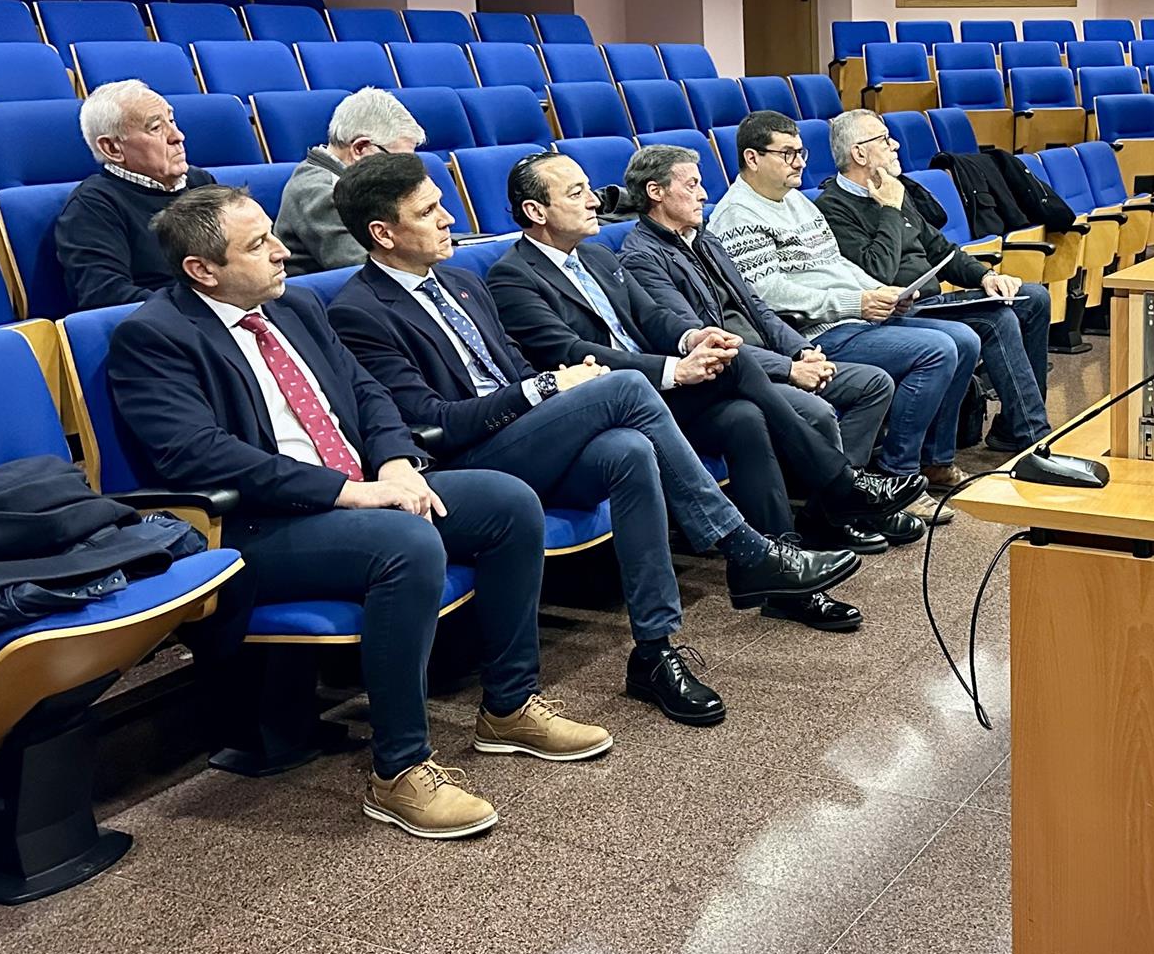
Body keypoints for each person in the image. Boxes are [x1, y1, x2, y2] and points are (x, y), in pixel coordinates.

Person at [106, 185, 613, 840]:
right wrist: (351, 492)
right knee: (407, 543)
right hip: (256, 528)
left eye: (271, 233)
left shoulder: (295, 307)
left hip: (362, 494)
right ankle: (398, 772)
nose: (281, 250)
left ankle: (509, 706)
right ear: (203, 270)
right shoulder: (154, 337)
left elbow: (368, 395)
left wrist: (396, 462)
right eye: (258, 244)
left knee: (509, 503)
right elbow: (202, 458)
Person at [331, 152, 892, 661]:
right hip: (472, 456)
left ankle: (656, 648)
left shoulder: (459, 280)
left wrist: (688, 341)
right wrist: (551, 388)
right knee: (622, 386)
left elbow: (529, 363)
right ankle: (767, 535)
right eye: (431, 211)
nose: (451, 219)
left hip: (536, 427)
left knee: (642, 440)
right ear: (383, 232)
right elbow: (437, 421)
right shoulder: (361, 310)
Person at [615, 143, 922, 551]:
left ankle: (831, 509)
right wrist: (788, 370)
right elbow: (698, 336)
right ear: (656, 192)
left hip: (773, 357)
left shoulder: (703, 239)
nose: (705, 193)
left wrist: (801, 352)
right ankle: (845, 498)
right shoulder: (642, 257)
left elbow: (758, 307)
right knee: (814, 410)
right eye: (692, 185)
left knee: (873, 384)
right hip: (731, 374)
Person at [706, 111, 970, 494]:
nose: (799, 163)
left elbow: (836, 263)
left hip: (853, 319)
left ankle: (935, 459)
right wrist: (856, 302)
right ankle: (899, 474)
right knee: (937, 349)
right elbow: (768, 293)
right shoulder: (736, 216)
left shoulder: (797, 201)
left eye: (801, 152)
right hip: (812, 334)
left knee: (963, 339)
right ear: (752, 158)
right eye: (788, 154)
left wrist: (882, 292)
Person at [817, 109, 1052, 455]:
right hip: (898, 313)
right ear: (860, 153)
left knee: (1033, 299)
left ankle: (1014, 424)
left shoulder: (894, 191)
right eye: (884, 139)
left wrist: (987, 276)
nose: (895, 144)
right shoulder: (834, 207)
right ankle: (1033, 435)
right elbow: (877, 271)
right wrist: (890, 211)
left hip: (934, 301)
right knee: (998, 319)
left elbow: (940, 249)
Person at [56, 80, 218, 310]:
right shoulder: (93, 206)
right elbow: (105, 296)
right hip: (172, 330)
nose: (178, 136)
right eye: (155, 128)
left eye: (171, 121)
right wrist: (207, 308)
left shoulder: (200, 181)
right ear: (112, 148)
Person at [277, 87, 425, 274]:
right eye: (396, 161)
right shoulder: (321, 192)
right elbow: (366, 270)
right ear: (360, 148)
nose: (403, 172)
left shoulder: (362, 184)